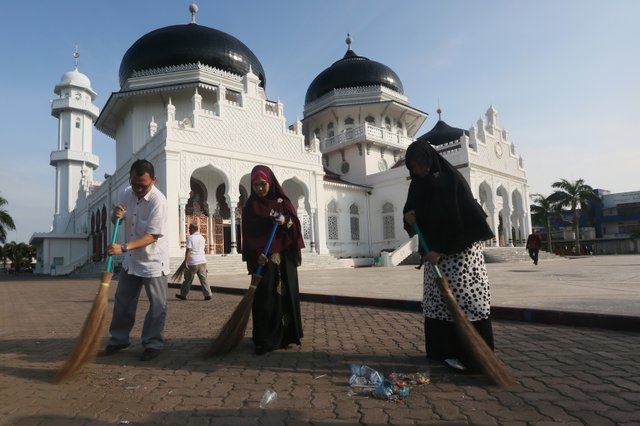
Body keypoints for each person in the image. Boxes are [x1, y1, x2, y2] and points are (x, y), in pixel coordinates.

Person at [402, 141, 496, 372]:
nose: (418, 170)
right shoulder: (417, 185)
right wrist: (408, 219)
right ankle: (443, 351)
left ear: (430, 160)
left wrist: (442, 249)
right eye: (413, 167)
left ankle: (474, 354)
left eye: (421, 165)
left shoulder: (451, 181)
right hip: (434, 257)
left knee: (466, 302)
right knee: (438, 304)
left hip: (461, 255)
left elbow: (470, 225)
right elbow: (413, 218)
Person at [103, 159, 169, 361]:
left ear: (153, 181)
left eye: (143, 185)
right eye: (135, 184)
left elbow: (153, 236)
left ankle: (152, 343)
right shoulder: (126, 193)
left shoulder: (159, 201)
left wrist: (123, 247)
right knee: (123, 301)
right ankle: (119, 339)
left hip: (153, 261)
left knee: (157, 305)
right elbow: (116, 220)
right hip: (131, 260)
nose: (138, 189)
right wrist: (116, 216)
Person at [242, 165, 305, 355]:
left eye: (263, 184)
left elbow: (295, 228)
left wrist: (284, 221)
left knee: (286, 297)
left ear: (270, 182)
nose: (259, 189)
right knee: (265, 300)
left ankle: (287, 336)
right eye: (255, 185)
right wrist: (256, 255)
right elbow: (249, 237)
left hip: (284, 260)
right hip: (264, 262)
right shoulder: (250, 208)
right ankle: (265, 339)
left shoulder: (282, 203)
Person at [176, 223, 213, 301]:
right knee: (203, 279)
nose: (189, 230)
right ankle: (208, 294)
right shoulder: (202, 238)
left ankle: (183, 294)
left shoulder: (190, 238)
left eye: (189, 229)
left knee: (188, 279)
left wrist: (186, 262)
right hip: (202, 261)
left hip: (193, 262)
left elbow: (188, 250)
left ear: (193, 229)